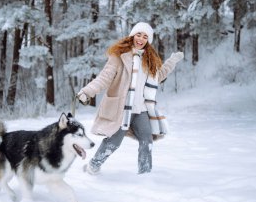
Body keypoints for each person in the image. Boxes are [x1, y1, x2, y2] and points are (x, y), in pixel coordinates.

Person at [77, 22, 184, 175]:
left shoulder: (149, 61)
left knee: (147, 141)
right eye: (138, 35)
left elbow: (158, 76)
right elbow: (104, 78)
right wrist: (87, 91)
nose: (141, 39)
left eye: (145, 36)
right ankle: (93, 166)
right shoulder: (119, 57)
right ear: (132, 35)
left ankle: (145, 175)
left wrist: (172, 61)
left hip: (141, 109)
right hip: (122, 109)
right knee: (114, 142)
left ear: (148, 40)